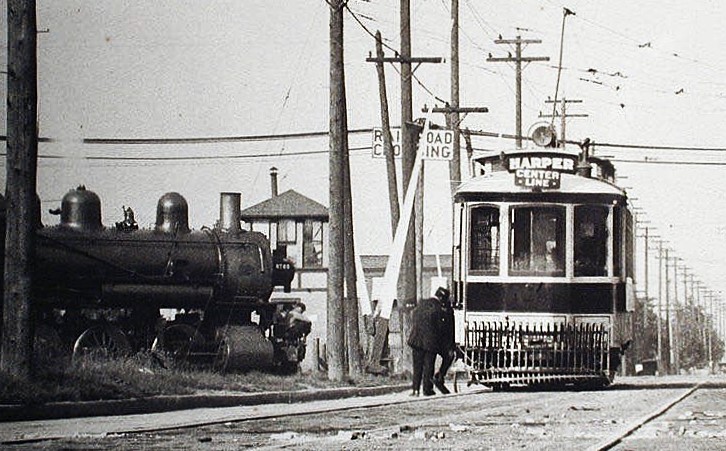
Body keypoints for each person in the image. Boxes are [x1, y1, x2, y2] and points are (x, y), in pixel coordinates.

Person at [407, 294, 441, 396]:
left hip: (416, 341)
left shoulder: (417, 310)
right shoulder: (436, 310)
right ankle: (427, 389)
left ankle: (415, 389)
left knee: (417, 367)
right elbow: (439, 328)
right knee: (429, 367)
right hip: (430, 343)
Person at [432, 286, 455, 394]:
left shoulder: (448, 309)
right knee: (448, 355)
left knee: (450, 356)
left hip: (445, 340)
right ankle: (436, 378)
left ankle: (440, 376)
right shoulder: (437, 309)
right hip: (438, 340)